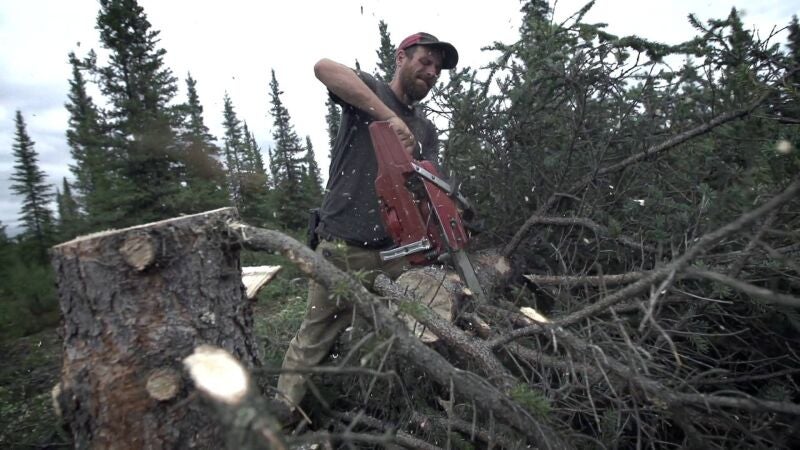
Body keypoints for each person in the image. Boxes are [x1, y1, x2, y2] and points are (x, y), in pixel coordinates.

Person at [276, 32, 459, 415]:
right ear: (401, 58)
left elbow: (426, 185)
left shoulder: (426, 130)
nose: (431, 72)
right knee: (313, 337)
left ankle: (415, 412)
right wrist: (389, 117)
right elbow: (324, 68)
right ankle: (282, 419)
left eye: (437, 69)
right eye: (425, 61)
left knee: (418, 324)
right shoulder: (370, 91)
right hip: (342, 247)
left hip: (396, 256)